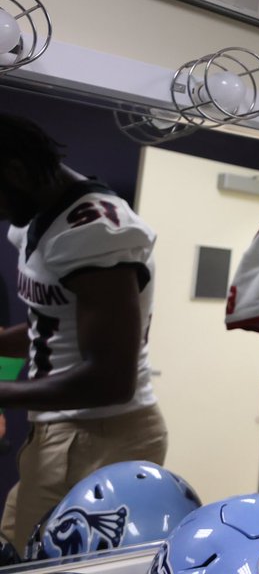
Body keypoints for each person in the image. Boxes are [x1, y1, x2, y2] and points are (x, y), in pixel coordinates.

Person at [0, 113, 167, 548]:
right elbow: (51, 324)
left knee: (44, 562)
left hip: (101, 433)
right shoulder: (37, 215)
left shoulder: (93, 233)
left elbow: (110, 380)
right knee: (16, 549)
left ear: (15, 171)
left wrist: (2, 391)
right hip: (64, 431)